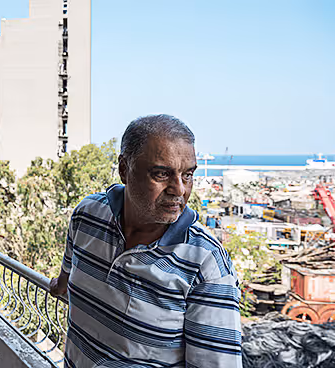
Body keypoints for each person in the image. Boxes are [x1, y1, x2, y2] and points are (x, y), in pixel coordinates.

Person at [50, 115, 242, 368]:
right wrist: (61, 284)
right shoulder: (87, 216)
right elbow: (65, 279)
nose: (179, 190)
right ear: (124, 170)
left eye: (187, 175)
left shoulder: (206, 264)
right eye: (162, 174)